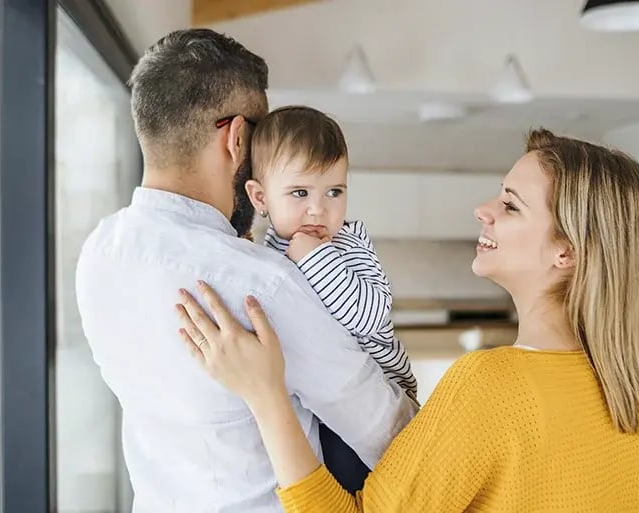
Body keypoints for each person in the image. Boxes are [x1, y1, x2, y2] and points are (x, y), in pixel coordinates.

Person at [175, 128, 639, 512]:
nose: (483, 210)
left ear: (566, 252)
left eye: (510, 205)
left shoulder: (494, 386)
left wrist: (265, 395)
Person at [75, 29, 417, 513]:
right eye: (259, 144)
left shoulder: (99, 253)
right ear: (237, 139)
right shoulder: (261, 284)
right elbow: (388, 432)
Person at [245, 105, 417, 492]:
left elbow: (370, 317)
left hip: (374, 402)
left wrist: (316, 257)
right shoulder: (264, 254)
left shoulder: (346, 244)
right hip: (310, 406)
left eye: (334, 192)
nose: (318, 209)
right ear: (260, 197)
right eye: (300, 192)